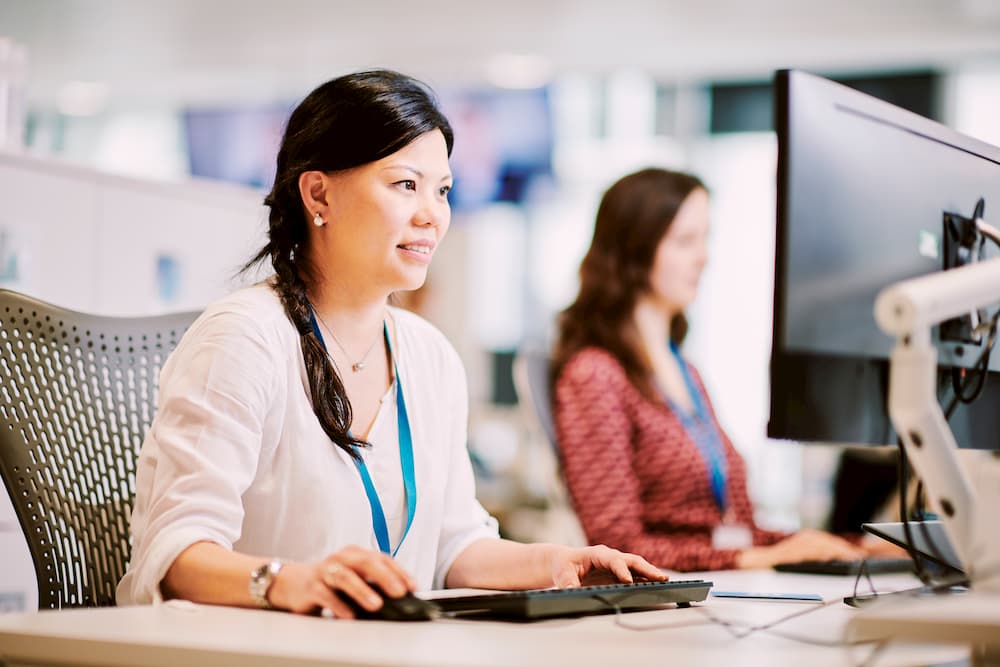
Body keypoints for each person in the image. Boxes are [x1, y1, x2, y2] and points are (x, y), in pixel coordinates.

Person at [116, 70, 664, 617]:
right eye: (406, 184)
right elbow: (176, 555)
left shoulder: (429, 356)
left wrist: (558, 565)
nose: (432, 214)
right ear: (318, 193)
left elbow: (455, 545)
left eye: (443, 191)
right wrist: (291, 582)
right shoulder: (243, 338)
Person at [552, 168, 894, 572]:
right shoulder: (595, 374)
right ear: (633, 250)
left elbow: (734, 530)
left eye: (704, 238)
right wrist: (758, 557)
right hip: (664, 610)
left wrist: (857, 545)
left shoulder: (684, 371)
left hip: (718, 592)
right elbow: (617, 545)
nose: (704, 256)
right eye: (684, 241)